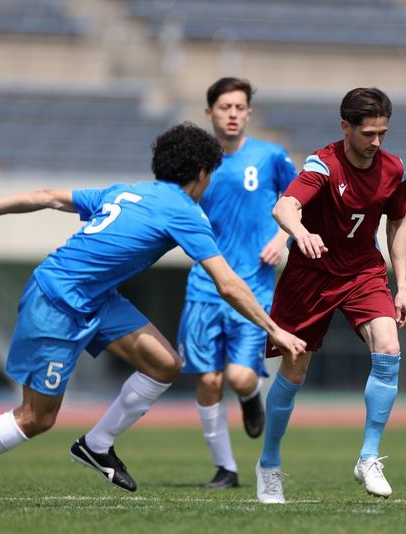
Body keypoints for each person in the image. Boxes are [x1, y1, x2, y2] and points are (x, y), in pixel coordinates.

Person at [0, 122, 306, 508]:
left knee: (164, 364)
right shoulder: (186, 213)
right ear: (203, 173)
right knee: (36, 418)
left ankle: (96, 444)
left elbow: (49, 196)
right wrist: (274, 329)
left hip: (97, 298)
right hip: (57, 300)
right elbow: (228, 284)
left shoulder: (127, 190)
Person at [254, 87, 406, 504]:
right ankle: (269, 464)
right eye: (368, 134)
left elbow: (397, 223)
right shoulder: (322, 165)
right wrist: (301, 232)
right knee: (295, 371)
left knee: (389, 346)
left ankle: (368, 457)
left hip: (363, 271)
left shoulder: (393, 169)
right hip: (311, 274)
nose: (377, 142)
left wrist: (403, 285)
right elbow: (285, 206)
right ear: (345, 127)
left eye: (383, 132)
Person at [176, 77, 297, 490]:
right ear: (209, 112)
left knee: (241, 378)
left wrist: (282, 237)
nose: (231, 114)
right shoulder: (194, 166)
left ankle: (249, 399)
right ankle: (225, 469)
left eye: (239, 107)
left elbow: (300, 202)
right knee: (208, 380)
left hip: (254, 289)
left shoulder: (271, 157)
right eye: (224, 107)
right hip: (204, 287)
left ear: (248, 112)